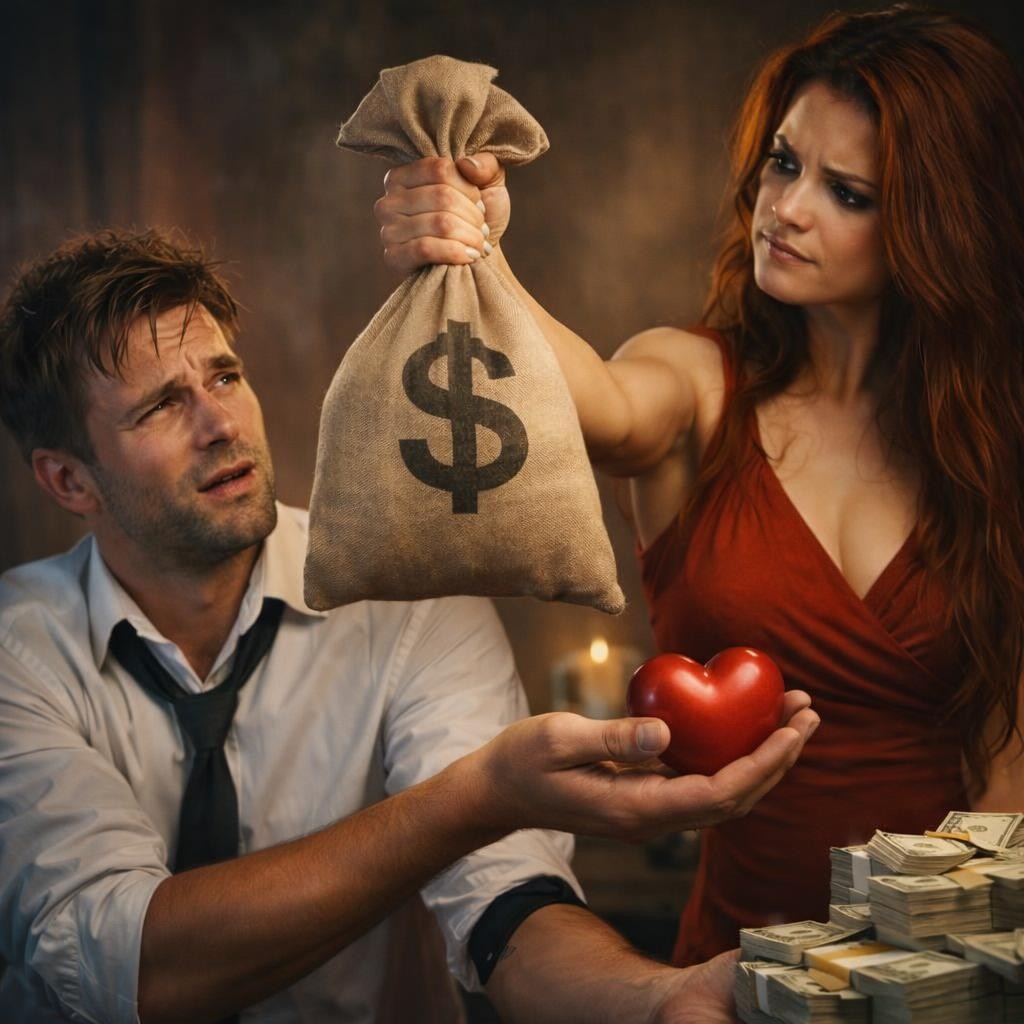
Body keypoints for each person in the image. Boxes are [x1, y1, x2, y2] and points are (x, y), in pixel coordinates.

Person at [0, 228, 818, 1023]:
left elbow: (507, 908)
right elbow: (132, 970)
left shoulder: (411, 599)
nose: (221, 425)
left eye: (223, 376)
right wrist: (477, 795)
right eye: (160, 408)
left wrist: (652, 999)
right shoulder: (17, 652)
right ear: (69, 479)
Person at [374, 3, 1024, 969]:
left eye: (849, 193)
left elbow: (1010, 782)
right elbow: (587, 396)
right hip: (731, 969)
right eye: (784, 161)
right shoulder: (694, 385)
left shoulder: (992, 448)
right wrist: (481, 250)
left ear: (937, 224)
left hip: (940, 974)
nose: (788, 207)